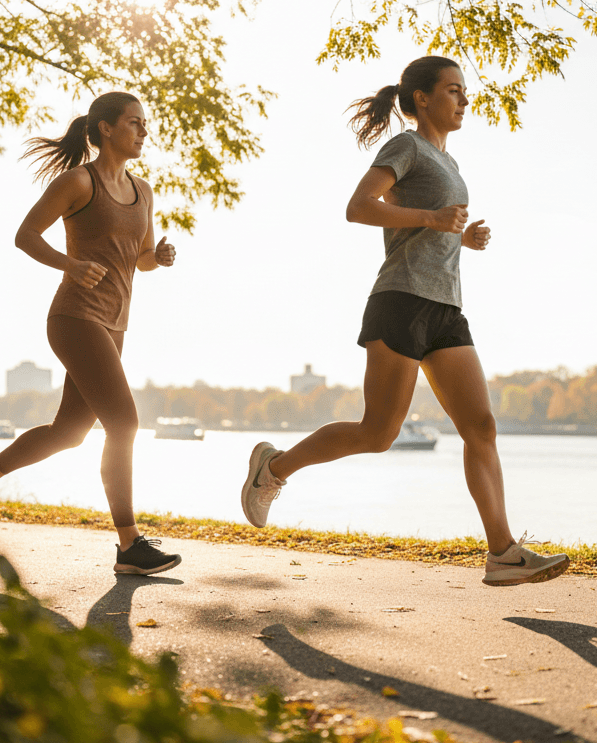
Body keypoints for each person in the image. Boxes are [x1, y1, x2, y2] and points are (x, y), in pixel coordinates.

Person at [240, 56, 569, 587]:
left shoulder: (451, 162)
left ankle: (503, 553)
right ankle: (273, 469)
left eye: (466, 92)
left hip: (446, 308)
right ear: (422, 98)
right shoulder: (407, 146)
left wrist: (461, 237)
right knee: (378, 432)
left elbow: (428, 227)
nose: (465, 101)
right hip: (400, 299)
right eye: (454, 91)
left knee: (480, 426)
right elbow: (358, 207)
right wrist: (433, 219)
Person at [0, 92, 181, 576]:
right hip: (75, 317)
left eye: (145, 125)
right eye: (134, 123)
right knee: (124, 424)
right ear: (105, 128)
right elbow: (26, 235)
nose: (144, 132)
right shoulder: (79, 180)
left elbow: (138, 257)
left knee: (70, 432)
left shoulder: (144, 190)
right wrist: (71, 265)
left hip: (115, 322)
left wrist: (155, 258)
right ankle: (129, 545)